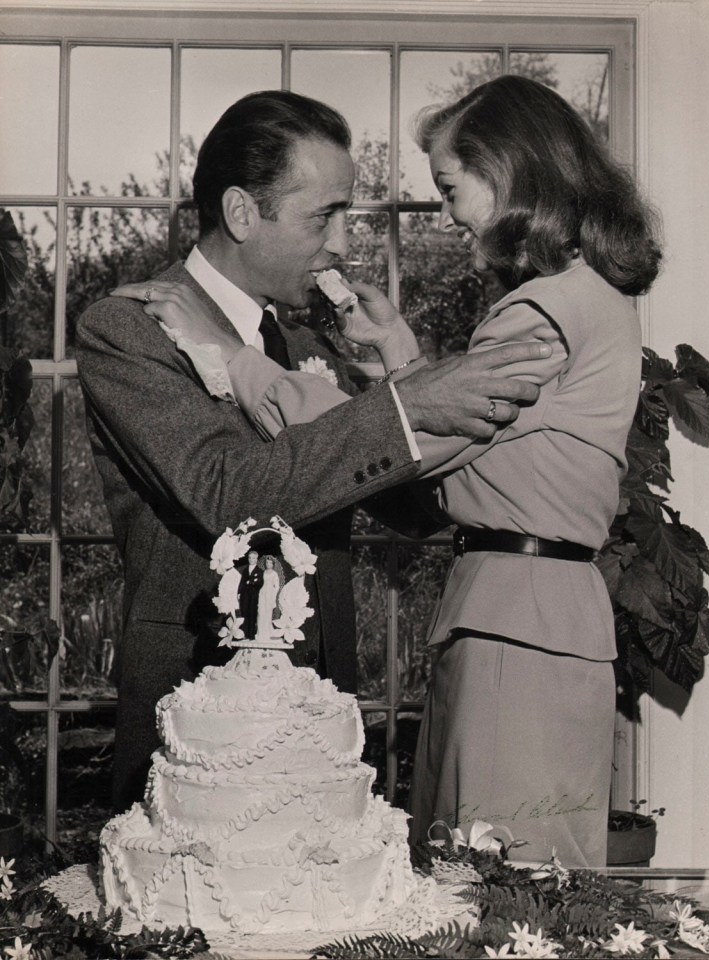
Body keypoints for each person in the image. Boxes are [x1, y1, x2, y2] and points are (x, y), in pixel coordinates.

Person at [120, 76, 661, 867]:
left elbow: (428, 446)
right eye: (326, 215)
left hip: (516, 621)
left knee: (491, 886)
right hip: (525, 614)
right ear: (241, 212)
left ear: (507, 170)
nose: (441, 211)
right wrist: (400, 366)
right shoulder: (581, 300)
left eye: (448, 186)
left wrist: (238, 362)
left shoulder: (544, 309)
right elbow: (453, 446)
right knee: (491, 881)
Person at [75, 89, 550, 811]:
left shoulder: (307, 340)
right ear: (240, 213)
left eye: (345, 216)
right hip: (197, 694)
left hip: (321, 699)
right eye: (322, 217)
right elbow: (227, 492)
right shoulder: (130, 328)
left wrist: (398, 368)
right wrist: (406, 407)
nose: (341, 245)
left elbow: (417, 512)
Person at [256, 556, 281, 642]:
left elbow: (277, 586)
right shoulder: (262, 573)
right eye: (267, 563)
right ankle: (260, 633)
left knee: (268, 613)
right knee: (260, 612)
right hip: (262, 593)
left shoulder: (274, 574)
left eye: (270, 563)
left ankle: (267, 633)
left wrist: (273, 594)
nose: (268, 564)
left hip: (270, 594)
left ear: (273, 564)